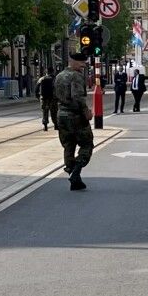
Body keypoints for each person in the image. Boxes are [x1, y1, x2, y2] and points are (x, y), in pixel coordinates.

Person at [53, 49, 94, 190]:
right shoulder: (76, 76)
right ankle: (76, 170)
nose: (84, 65)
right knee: (87, 144)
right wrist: (86, 112)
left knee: (68, 146)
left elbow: (55, 97)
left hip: (62, 115)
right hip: (75, 116)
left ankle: (73, 177)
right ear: (73, 61)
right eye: (81, 62)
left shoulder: (59, 76)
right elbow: (78, 97)